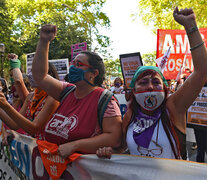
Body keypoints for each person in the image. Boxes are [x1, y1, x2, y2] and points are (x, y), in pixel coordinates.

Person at [96, 7, 207, 160]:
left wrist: (191, 27)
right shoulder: (129, 115)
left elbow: (202, 71)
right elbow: (122, 148)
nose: (150, 86)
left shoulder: (173, 107)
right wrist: (108, 152)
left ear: (165, 88)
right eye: (143, 82)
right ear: (133, 91)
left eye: (156, 82)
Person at [31, 26, 122, 158]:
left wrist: (75, 145)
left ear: (94, 73)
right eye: (73, 64)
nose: (73, 67)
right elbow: (40, 76)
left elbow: (114, 138)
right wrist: (44, 41)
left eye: (79, 65)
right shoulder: (66, 91)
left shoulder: (105, 100)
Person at [0, 62, 60, 143]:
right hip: (32, 149)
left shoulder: (53, 97)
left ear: (47, 74)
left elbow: (34, 129)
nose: (29, 75)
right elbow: (14, 124)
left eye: (34, 71)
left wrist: (6, 105)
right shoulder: (30, 97)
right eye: (30, 71)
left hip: (47, 149)